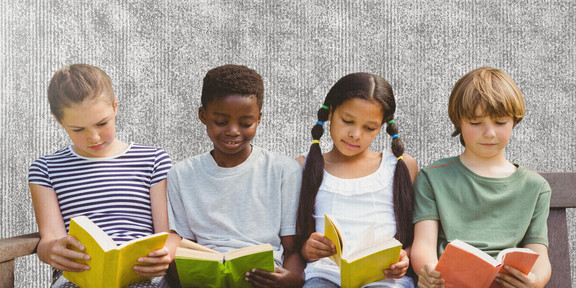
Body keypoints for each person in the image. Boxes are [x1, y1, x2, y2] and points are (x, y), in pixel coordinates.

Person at [28, 64, 180, 288]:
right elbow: (50, 238)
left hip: (143, 274)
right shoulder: (45, 169)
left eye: (102, 123)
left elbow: (168, 233)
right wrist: (49, 250)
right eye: (78, 129)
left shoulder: (154, 160)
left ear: (115, 106)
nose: (94, 137)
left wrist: (166, 254)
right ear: (58, 121)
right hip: (81, 277)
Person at [166, 64, 305, 287]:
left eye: (245, 123)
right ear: (203, 116)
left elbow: (292, 246)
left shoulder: (283, 169)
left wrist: (294, 278)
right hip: (205, 278)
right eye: (221, 122)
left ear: (259, 118)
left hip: (264, 279)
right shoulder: (181, 174)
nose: (232, 131)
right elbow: (184, 245)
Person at [411, 67, 551, 288]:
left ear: (514, 121)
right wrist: (428, 270)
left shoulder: (536, 187)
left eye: (500, 122)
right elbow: (424, 244)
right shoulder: (433, 177)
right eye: (476, 123)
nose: (489, 133)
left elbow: (538, 252)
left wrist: (535, 281)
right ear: (459, 122)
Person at [295, 72, 419, 288]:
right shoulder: (304, 167)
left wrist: (405, 257)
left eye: (369, 128)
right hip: (325, 275)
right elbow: (296, 240)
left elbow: (416, 234)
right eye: (347, 121)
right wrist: (308, 249)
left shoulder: (400, 166)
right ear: (330, 113)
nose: (355, 134)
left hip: (385, 279)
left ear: (381, 127)